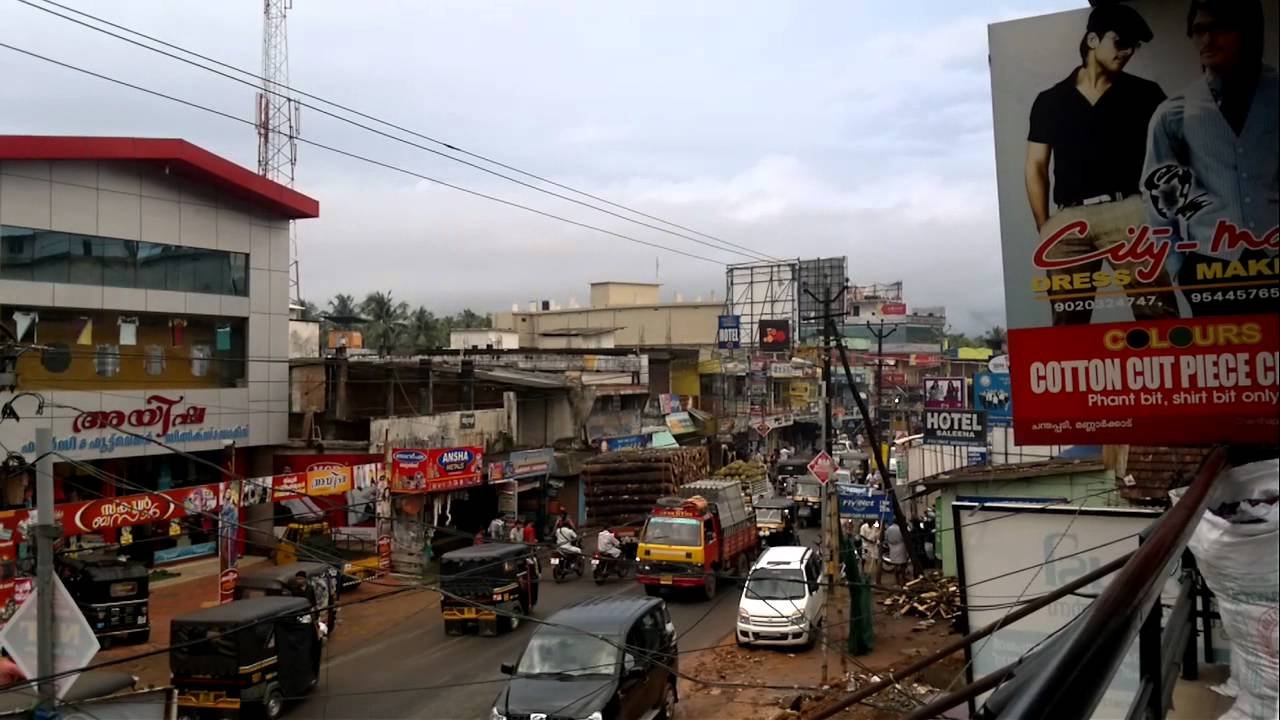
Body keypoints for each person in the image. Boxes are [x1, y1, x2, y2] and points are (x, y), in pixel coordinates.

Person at [1025, 3, 1178, 325]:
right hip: (1067, 216)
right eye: (1120, 42)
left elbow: (1175, 157)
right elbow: (1037, 165)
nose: (1127, 52)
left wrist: (1163, 214)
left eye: (1134, 46)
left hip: (1130, 209)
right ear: (1093, 40)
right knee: (1067, 321)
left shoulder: (1146, 94)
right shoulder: (1050, 100)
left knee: (1157, 313)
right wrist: (1045, 226)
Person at [1143, 0, 1278, 318]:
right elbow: (1160, 204)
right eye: (1199, 31)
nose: (1207, 40)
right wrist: (1180, 268)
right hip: (1210, 266)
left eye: (1219, 29)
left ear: (1248, 32)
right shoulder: (1174, 113)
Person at [877, 521, 911, 587]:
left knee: (895, 565)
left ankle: (897, 580)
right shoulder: (901, 528)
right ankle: (903, 580)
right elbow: (905, 537)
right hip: (902, 547)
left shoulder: (889, 529)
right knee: (903, 565)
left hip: (892, 548)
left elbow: (886, 539)